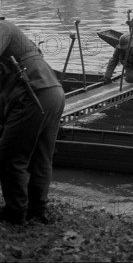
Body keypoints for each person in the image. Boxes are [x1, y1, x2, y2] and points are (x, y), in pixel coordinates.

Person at [0, 19, 65, 225]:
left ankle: (16, 214)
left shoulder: (3, 28)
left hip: (33, 95)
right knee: (41, 158)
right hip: (52, 92)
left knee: (10, 158)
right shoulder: (11, 32)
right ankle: (38, 211)